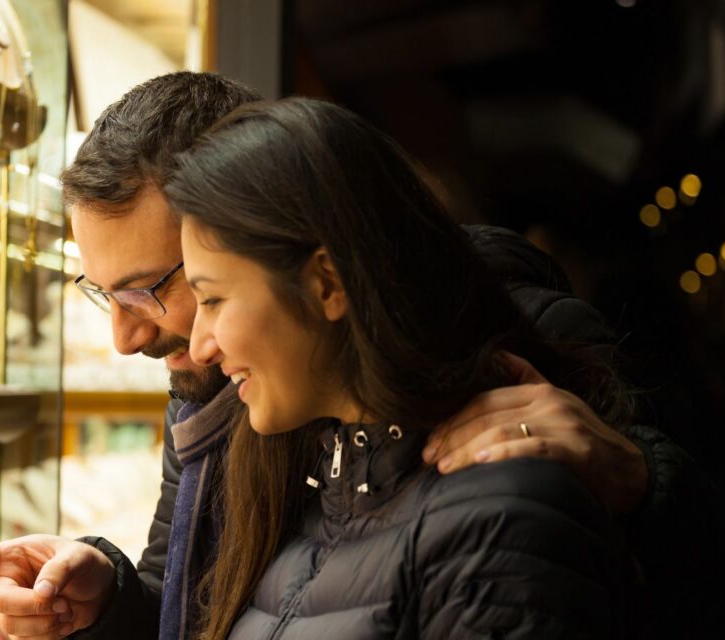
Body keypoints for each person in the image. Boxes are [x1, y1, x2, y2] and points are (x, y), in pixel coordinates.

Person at [0, 73, 725, 639]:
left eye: (165, 289)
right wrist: (107, 598)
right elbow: (213, 596)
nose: (127, 335)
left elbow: (664, 567)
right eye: (104, 295)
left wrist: (638, 478)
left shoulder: (492, 364)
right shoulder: (248, 394)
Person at [172, 96, 637, 638]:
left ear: (327, 283)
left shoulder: (498, 521)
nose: (200, 346)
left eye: (212, 300)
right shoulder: (319, 489)